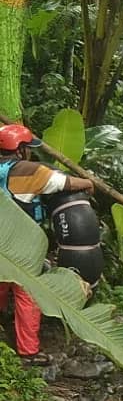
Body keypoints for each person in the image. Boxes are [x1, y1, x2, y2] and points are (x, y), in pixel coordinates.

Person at [0, 124, 95, 364]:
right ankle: (28, 352)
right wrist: (88, 183)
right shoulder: (26, 171)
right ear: (20, 150)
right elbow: (63, 183)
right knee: (28, 294)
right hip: (19, 245)